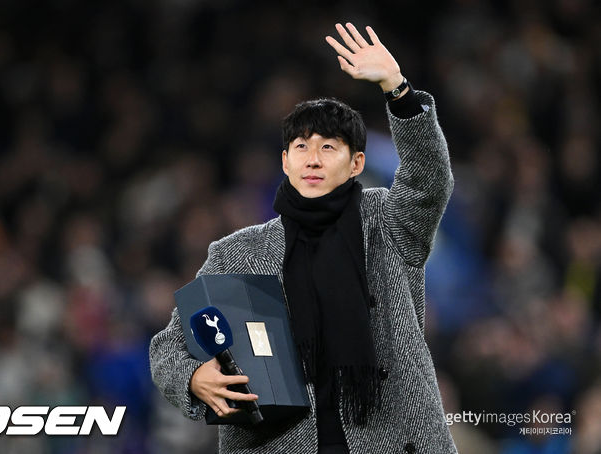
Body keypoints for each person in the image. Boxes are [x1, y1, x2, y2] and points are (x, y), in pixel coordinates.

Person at [150, 22, 458, 454]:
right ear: (285, 161)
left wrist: (398, 90)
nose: (312, 159)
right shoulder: (238, 253)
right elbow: (169, 346)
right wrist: (193, 377)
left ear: (356, 164)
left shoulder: (387, 223)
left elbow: (429, 180)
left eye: (328, 147)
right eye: (301, 147)